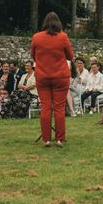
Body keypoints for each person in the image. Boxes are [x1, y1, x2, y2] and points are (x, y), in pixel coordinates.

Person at [31, 12, 73, 147]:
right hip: (60, 76)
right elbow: (70, 56)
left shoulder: (36, 37)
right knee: (60, 108)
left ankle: (46, 139)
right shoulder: (63, 37)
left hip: (42, 76)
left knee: (45, 107)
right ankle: (60, 139)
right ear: (58, 23)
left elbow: (33, 56)